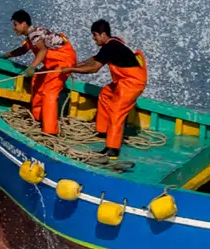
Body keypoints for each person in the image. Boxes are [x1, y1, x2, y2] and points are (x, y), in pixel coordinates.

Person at [63, 19, 147, 158]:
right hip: (123, 81)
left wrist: (71, 69)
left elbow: (95, 68)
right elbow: (95, 59)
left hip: (132, 83)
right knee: (106, 94)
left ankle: (112, 150)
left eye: (94, 35)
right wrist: (77, 65)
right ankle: (103, 131)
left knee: (116, 113)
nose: (93, 39)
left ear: (102, 34)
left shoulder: (111, 47)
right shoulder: (111, 44)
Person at [0, 9, 77, 136]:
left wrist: (32, 67)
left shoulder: (34, 34)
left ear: (24, 24)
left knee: (49, 92)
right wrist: (6, 55)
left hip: (63, 60)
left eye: (15, 24)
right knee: (37, 81)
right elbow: (23, 50)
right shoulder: (30, 36)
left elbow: (43, 50)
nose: (14, 28)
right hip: (53, 63)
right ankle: (38, 118)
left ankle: (50, 131)